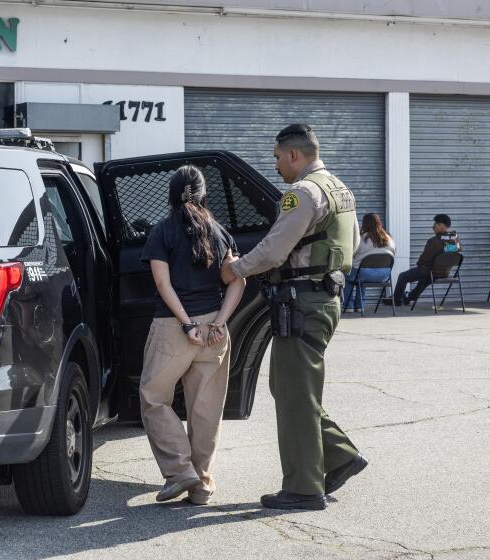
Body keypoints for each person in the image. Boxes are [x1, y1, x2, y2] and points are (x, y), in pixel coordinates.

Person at [220, 124, 368, 511]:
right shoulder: (339, 188)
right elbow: (351, 245)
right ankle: (338, 456)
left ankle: (304, 488)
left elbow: (273, 250)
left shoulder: (302, 193)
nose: (275, 165)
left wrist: (236, 269)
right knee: (293, 389)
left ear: (294, 155)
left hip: (301, 302)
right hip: (325, 297)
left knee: (294, 395)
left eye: (277, 157)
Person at [139, 165, 246, 506]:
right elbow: (238, 280)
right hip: (214, 329)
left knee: (154, 398)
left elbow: (161, 283)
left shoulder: (162, 231)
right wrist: (219, 322)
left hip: (174, 328)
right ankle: (201, 484)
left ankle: (179, 470)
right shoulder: (220, 232)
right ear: (204, 195)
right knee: (206, 409)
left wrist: (186, 324)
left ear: (171, 195)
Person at [390, 214, 461, 306]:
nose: (433, 228)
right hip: (444, 273)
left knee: (403, 276)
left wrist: (420, 263)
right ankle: (408, 298)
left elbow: (423, 261)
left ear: (441, 226)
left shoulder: (433, 241)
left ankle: (396, 301)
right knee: (424, 280)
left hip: (430, 272)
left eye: (434, 226)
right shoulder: (455, 240)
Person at [343, 213, 396, 312]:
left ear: (364, 224)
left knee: (350, 273)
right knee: (361, 272)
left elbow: (351, 254)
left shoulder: (361, 239)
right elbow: (393, 254)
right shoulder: (389, 239)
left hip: (363, 274)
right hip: (384, 275)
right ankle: (360, 306)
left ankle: (349, 306)